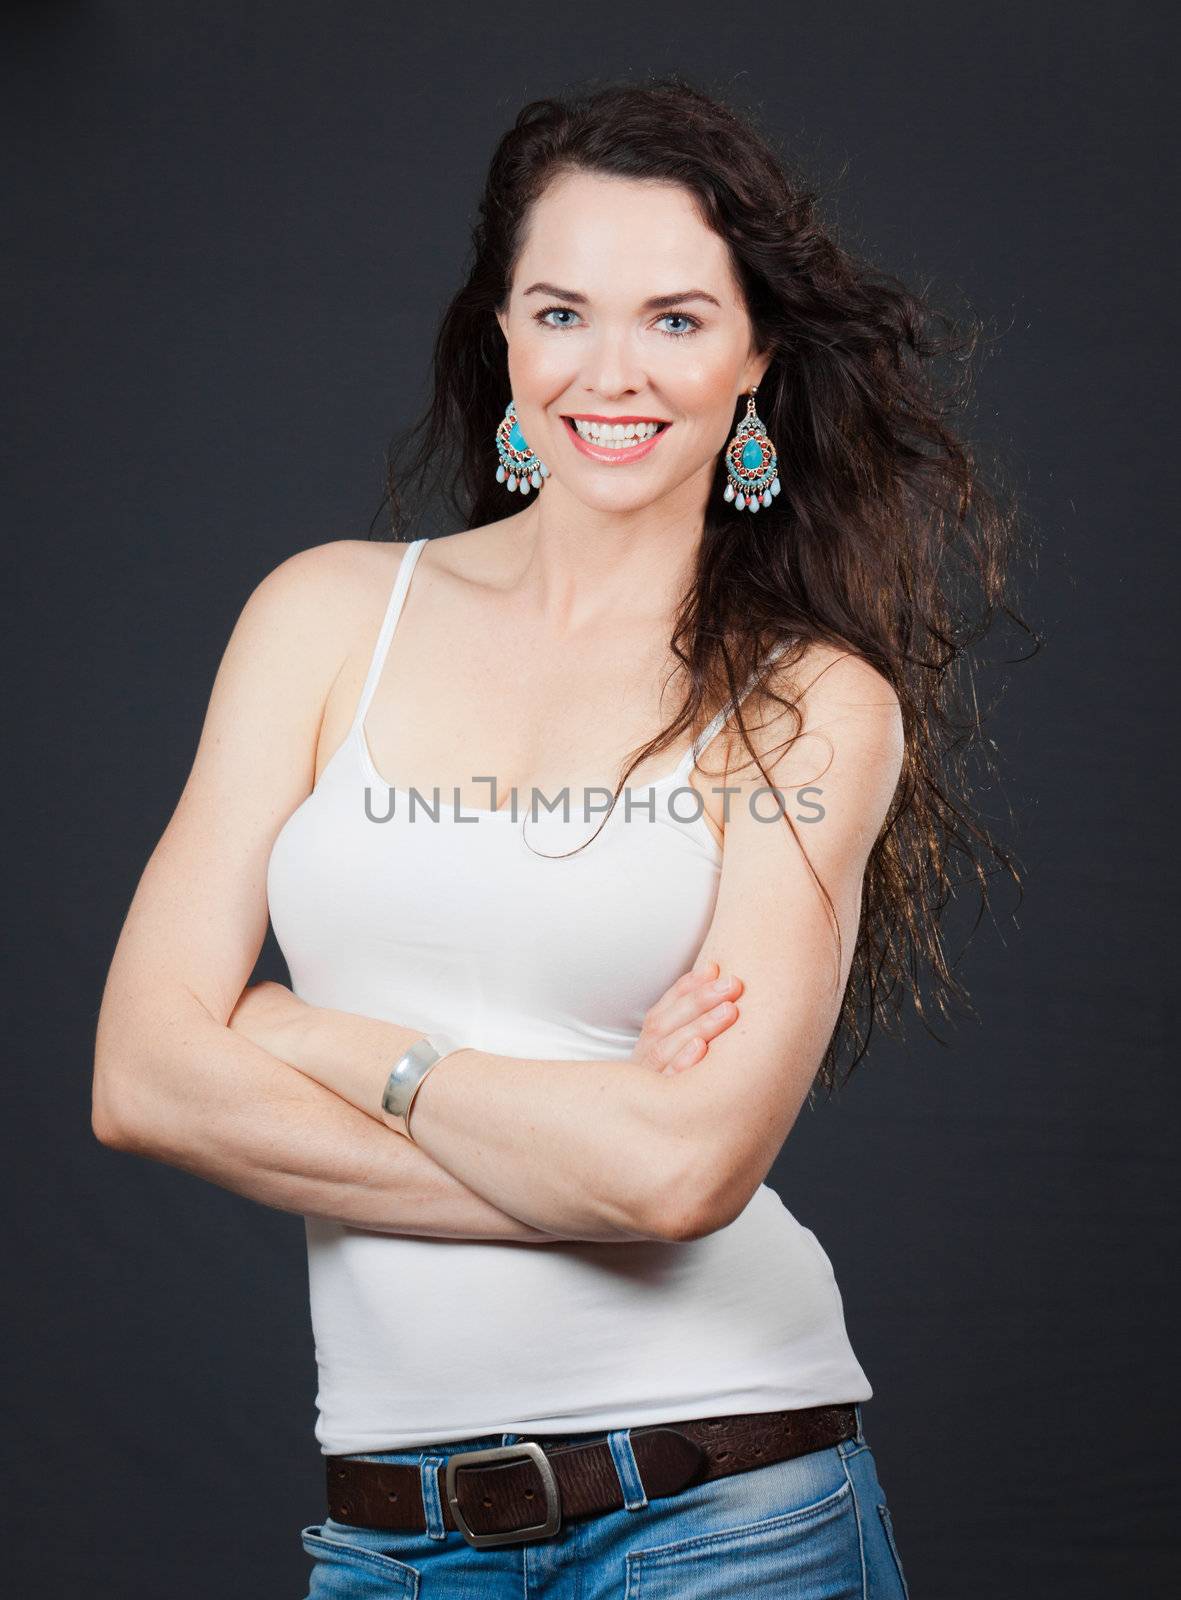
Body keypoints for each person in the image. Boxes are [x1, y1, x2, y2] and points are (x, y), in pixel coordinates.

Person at [93, 75, 1028, 1599]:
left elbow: (682, 1187)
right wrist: (587, 1157)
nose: (614, 368)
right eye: (561, 310)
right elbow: (141, 1077)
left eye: (674, 318)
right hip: (393, 1536)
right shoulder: (326, 614)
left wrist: (326, 1044)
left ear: (752, 360)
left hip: (725, 1504)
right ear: (502, 337)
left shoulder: (809, 703)